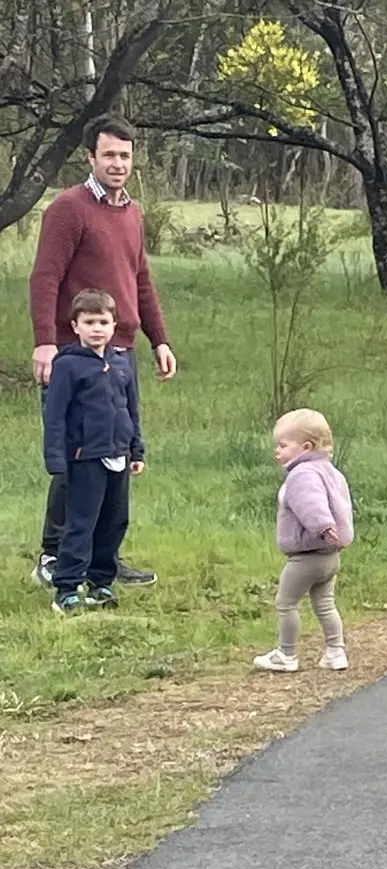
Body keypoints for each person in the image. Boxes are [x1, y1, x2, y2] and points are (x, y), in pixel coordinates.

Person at [29, 111, 175, 590]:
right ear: (90, 156)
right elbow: (46, 277)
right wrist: (45, 342)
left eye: (125, 156)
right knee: (78, 457)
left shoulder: (131, 212)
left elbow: (141, 280)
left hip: (120, 354)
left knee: (117, 451)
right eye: (109, 154)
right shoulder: (68, 209)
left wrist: (159, 339)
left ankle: (103, 561)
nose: (118, 164)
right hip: (75, 355)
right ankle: (54, 556)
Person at [43, 289, 146, 614]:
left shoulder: (120, 365)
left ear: (114, 325)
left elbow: (131, 410)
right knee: (81, 523)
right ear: (76, 326)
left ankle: (101, 583)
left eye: (103, 322)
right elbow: (55, 414)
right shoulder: (68, 365)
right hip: (84, 457)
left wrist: (136, 450)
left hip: (119, 455)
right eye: (89, 322)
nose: (97, 328)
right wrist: (56, 458)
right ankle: (67, 587)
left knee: (114, 521)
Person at [253, 409, 355, 674]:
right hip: (330, 556)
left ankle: (286, 654)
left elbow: (311, 505)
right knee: (325, 604)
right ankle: (336, 652)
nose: (277, 450)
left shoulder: (302, 475)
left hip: (306, 556)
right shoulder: (331, 472)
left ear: (306, 447)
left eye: (283, 445)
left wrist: (323, 527)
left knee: (285, 603)